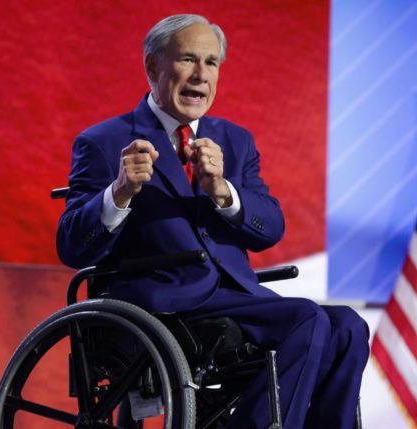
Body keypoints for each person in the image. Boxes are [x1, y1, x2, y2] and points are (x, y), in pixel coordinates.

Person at [56, 13, 369, 429]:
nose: (201, 75)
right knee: (307, 320)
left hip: (236, 296)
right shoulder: (104, 141)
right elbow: (73, 247)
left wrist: (224, 192)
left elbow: (270, 229)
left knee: (348, 325)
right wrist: (119, 192)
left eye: (212, 62)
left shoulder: (235, 140)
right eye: (188, 59)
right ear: (153, 67)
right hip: (161, 303)